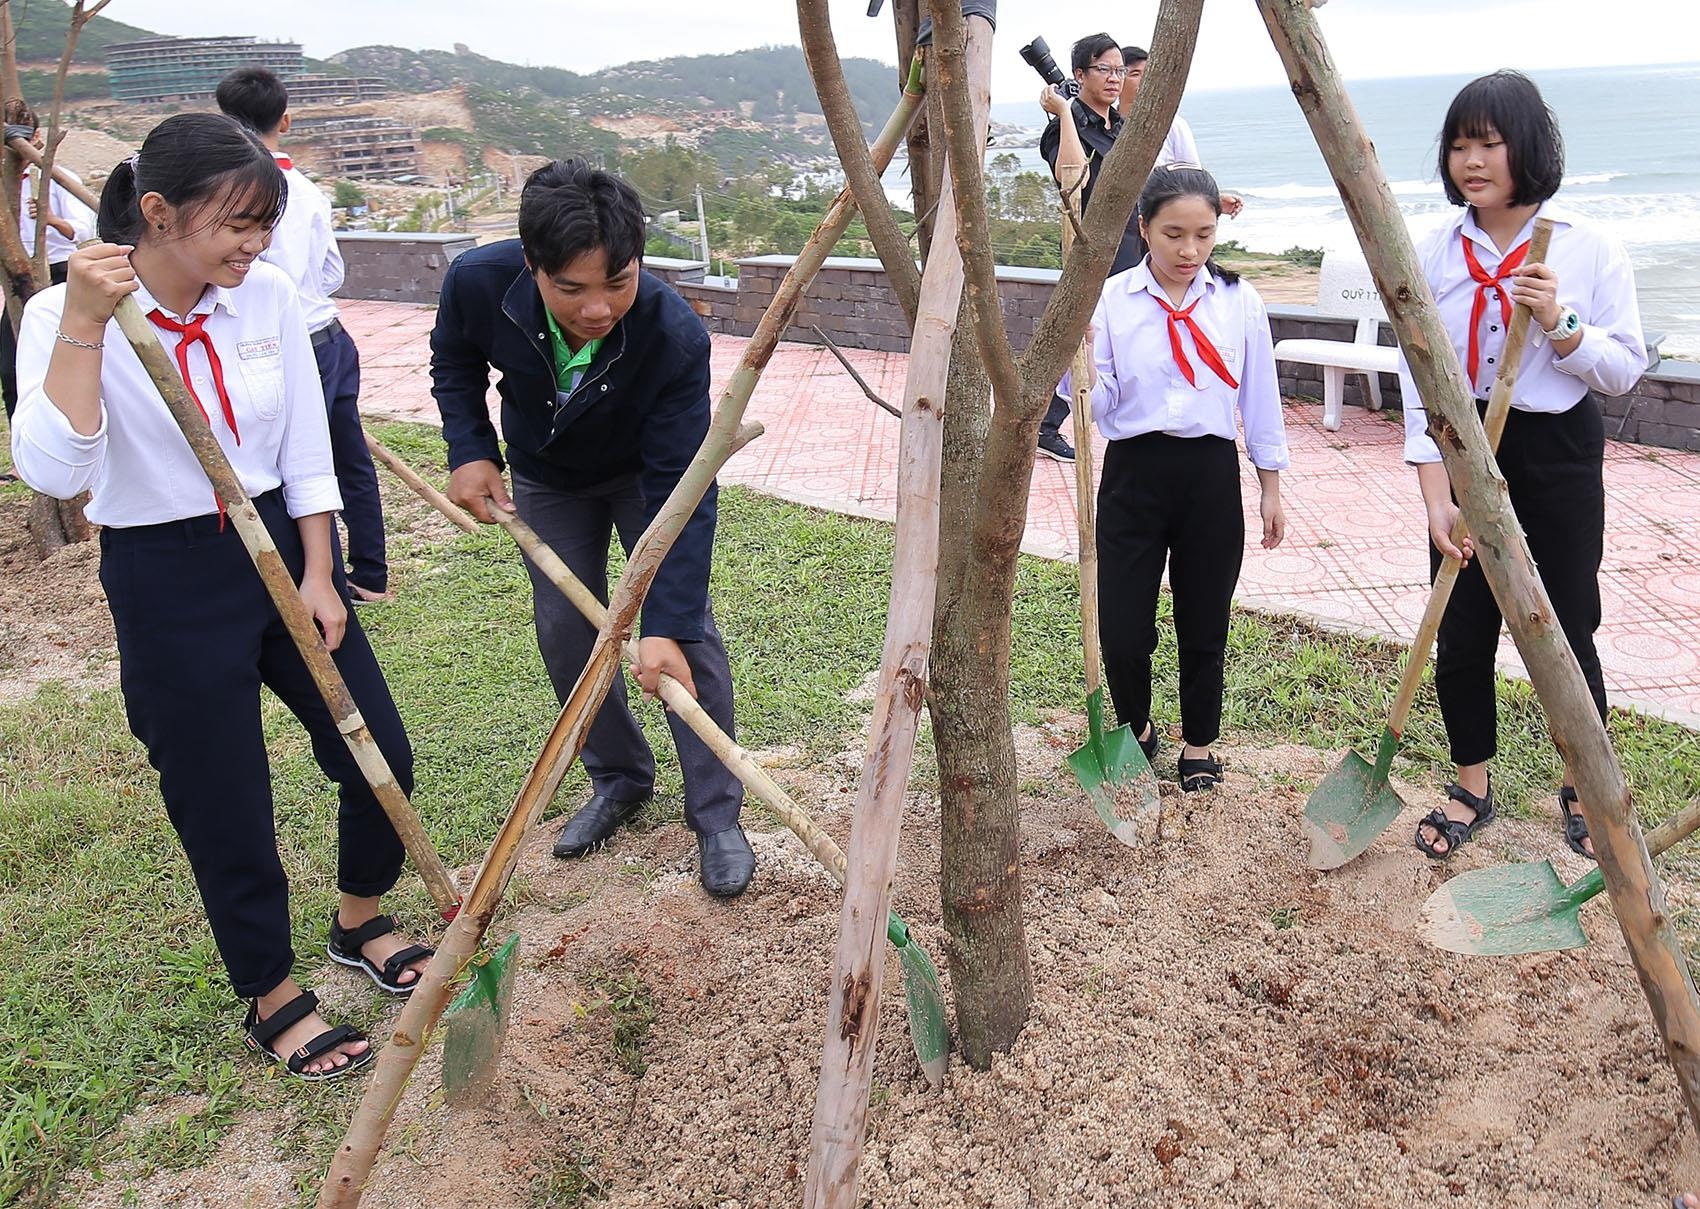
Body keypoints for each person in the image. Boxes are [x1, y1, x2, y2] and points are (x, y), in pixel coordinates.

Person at [8, 113, 433, 1080]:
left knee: (379, 752)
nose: (257, 244)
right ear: (157, 213)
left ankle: (359, 916)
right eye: (238, 223)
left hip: (281, 545)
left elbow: (305, 450)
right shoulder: (61, 316)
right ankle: (271, 991)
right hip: (165, 573)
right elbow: (54, 467)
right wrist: (81, 323)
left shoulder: (268, 294)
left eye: (266, 221)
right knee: (223, 796)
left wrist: (321, 571)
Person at [430, 158, 755, 897]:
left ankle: (716, 814)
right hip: (547, 476)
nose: (599, 307)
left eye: (618, 281)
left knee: (688, 638)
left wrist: (664, 622)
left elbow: (683, 488)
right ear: (531, 265)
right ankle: (619, 779)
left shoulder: (673, 334)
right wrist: (471, 450)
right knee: (566, 632)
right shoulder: (478, 282)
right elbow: (453, 360)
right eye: (572, 288)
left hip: (646, 479)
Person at [1402, 71, 1645, 861]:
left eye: (1490, 143)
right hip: (1468, 441)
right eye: (1459, 144)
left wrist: (1558, 319)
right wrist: (1435, 491)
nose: (1472, 161)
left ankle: (1585, 787)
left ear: (1527, 148)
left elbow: (1623, 370)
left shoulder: (1585, 244)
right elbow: (1416, 378)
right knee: (1462, 626)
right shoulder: (1435, 248)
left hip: (1557, 450)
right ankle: (1473, 784)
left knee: (1569, 624)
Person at [1085, 164, 1287, 791]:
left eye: (1203, 234)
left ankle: (1198, 744)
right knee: (1121, 628)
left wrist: (1270, 485)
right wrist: (1079, 364)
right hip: (1132, 475)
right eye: (1174, 234)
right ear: (1144, 229)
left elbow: (1260, 396)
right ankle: (1138, 728)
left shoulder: (1238, 301)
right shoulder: (1111, 301)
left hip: (1209, 476)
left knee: (1205, 622)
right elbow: (1096, 399)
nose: (1189, 250)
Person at [215, 67, 390, 603]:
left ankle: (322, 581)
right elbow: (332, 272)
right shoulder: (308, 190)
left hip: (272, 345)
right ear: (285, 120)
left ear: (223, 121)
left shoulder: (220, 195)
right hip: (328, 335)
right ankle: (369, 574)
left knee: (291, 464)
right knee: (347, 456)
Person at [1035, 38, 1244, 461]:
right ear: (1080, 76)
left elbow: (1143, 180)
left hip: (1133, 243)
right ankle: (1046, 422)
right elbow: (1070, 179)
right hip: (1096, 253)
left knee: (1119, 338)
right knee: (1087, 338)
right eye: (1104, 70)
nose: (1114, 79)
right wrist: (1063, 115)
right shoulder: (1067, 125)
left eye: (1118, 70)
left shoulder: (1118, 127)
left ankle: (1076, 418)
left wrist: (1208, 201)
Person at [0, 102, 97, 420]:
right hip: (18, 279)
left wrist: (50, 218)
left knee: (67, 359)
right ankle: (23, 449)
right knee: (11, 365)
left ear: (35, 138)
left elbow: (84, 231)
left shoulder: (54, 177)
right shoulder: (4, 183)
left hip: (59, 272)